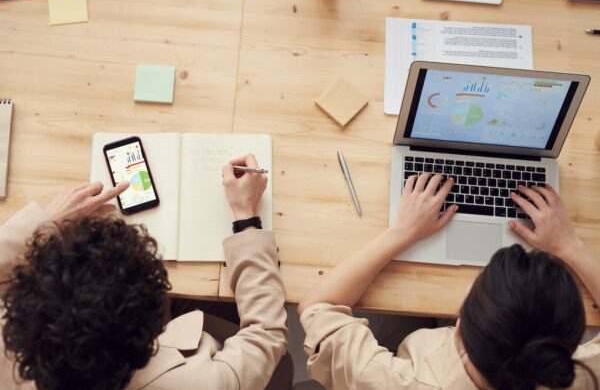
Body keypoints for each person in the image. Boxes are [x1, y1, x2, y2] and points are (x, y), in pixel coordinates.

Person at [0, 154, 292, 390]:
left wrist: (47, 223)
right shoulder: (197, 384)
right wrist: (246, 219)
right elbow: (264, 335)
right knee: (284, 366)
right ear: (151, 331)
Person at [298, 172, 600, 390]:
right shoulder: (585, 376)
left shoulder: (390, 381)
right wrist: (568, 246)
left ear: (457, 328)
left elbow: (318, 306)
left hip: (408, 353)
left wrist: (400, 233)